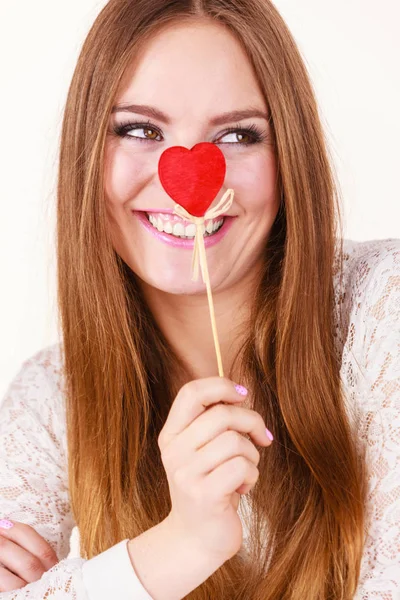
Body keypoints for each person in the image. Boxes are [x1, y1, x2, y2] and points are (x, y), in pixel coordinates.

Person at [0, 0, 399, 598]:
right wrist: (182, 545)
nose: (191, 183)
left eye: (238, 135)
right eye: (141, 129)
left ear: (290, 158)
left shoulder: (385, 308)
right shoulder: (49, 398)